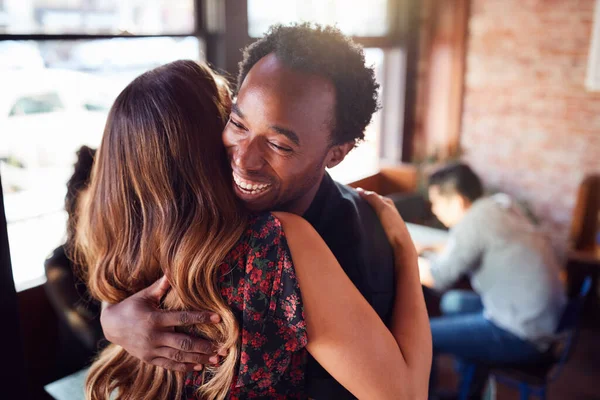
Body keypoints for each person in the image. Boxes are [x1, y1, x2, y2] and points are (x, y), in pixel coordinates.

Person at [97, 24, 431, 399]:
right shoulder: (212, 208)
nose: (243, 159)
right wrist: (113, 317)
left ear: (336, 154)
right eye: (238, 124)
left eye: (278, 144)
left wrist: (404, 253)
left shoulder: (346, 250)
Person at [416, 162, 566, 398]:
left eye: (436, 202)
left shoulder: (474, 223)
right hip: (541, 319)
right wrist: (432, 247)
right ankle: (470, 371)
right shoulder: (497, 206)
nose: (434, 209)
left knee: (423, 336)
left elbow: (437, 277)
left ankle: (431, 393)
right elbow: (470, 245)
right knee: (452, 302)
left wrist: (405, 254)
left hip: (522, 334)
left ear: (456, 201)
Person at [45, 145, 103, 352]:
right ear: (75, 214)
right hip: (82, 371)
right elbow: (92, 339)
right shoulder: (59, 267)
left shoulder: (130, 257)